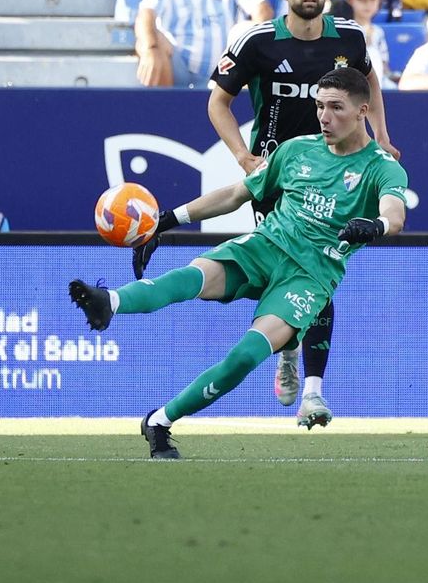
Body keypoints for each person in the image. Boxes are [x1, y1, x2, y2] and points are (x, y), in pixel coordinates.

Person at [69, 66, 408, 459]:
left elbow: (395, 215)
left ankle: (159, 421)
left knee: (244, 358)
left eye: (336, 107)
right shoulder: (296, 150)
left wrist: (375, 225)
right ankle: (109, 301)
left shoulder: (382, 167)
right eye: (319, 106)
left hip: (309, 277)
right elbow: (235, 194)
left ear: (363, 110)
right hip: (265, 245)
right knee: (191, 277)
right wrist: (166, 220)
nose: (324, 117)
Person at [202, 0, 397, 426]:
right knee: (283, 274)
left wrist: (381, 139)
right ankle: (286, 349)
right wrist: (245, 159)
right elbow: (218, 103)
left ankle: (313, 390)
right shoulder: (257, 41)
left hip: (335, 171)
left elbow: (367, 80)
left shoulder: (349, 35)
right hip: (279, 175)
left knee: (319, 268)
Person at [343, 0, 393, 84]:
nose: (367, 4)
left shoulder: (379, 32)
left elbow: (384, 65)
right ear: (350, 0)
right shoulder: (344, 30)